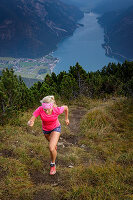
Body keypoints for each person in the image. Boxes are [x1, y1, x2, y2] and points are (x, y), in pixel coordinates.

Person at [27, 95, 69, 175]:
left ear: (52, 106)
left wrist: (66, 118)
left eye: (47, 109)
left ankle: (53, 164)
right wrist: (30, 122)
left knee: (51, 147)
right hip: (46, 130)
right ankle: (54, 146)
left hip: (56, 128)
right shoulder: (40, 109)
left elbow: (66, 107)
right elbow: (32, 119)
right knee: (52, 145)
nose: (46, 111)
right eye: (44, 109)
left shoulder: (57, 110)